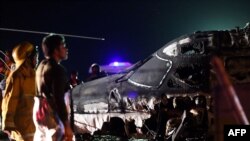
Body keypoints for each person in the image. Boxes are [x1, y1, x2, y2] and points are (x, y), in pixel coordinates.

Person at [33, 34, 73, 141]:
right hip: (51, 114)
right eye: (63, 45)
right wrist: (66, 125)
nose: (66, 49)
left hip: (38, 111)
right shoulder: (57, 69)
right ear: (56, 50)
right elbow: (58, 98)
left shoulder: (41, 66)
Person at [1, 42, 38, 141]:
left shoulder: (35, 75)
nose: (36, 59)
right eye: (35, 56)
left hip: (33, 123)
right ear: (27, 58)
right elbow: (10, 99)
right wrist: (8, 123)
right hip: (20, 125)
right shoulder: (17, 75)